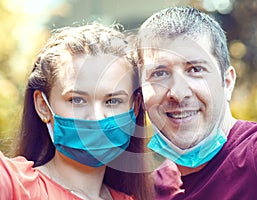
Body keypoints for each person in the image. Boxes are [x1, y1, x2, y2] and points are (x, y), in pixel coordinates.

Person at [136, 6, 257, 199]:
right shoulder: (149, 191)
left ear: (227, 82)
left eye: (195, 69)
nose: (178, 93)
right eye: (160, 74)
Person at [0, 23, 152, 200]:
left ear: (134, 107)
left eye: (112, 101)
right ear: (43, 106)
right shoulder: (13, 183)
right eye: (77, 100)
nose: (95, 117)